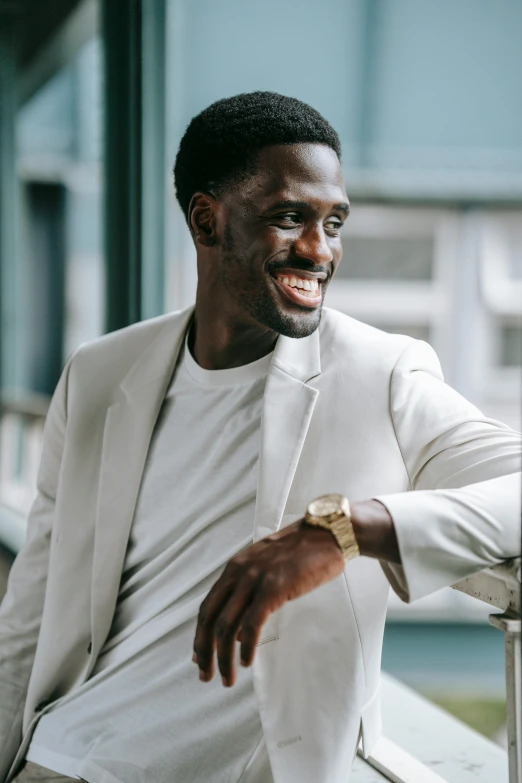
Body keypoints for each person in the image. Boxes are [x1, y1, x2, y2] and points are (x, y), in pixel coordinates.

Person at [0, 91, 520, 783]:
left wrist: (340, 529)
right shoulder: (101, 374)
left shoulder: (381, 374)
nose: (320, 249)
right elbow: (29, 614)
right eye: (288, 217)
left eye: (333, 221)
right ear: (207, 219)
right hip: (62, 757)